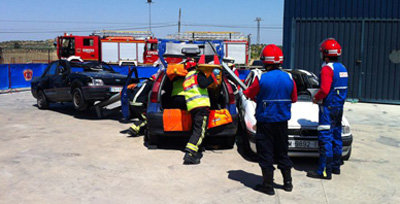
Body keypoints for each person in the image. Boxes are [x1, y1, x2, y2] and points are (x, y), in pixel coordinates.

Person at [243, 44, 297, 195]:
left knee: (266, 153)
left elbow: (249, 93)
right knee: (282, 152)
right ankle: (288, 183)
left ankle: (268, 185)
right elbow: (293, 98)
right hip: (282, 123)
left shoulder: (261, 78)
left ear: (265, 61)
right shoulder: (289, 77)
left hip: (266, 123)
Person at [307, 38, 348, 179]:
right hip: (339, 107)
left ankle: (324, 171)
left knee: (325, 138)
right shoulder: (342, 68)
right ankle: (336, 166)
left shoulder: (327, 68)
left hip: (328, 108)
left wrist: (316, 97)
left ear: (325, 53)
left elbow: (324, 89)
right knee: (337, 136)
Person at [182, 55, 220, 165]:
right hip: (201, 106)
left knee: (196, 129)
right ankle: (189, 154)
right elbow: (203, 84)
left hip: (193, 107)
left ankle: (196, 149)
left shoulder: (187, 78)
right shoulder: (197, 74)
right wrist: (213, 75)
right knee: (200, 131)